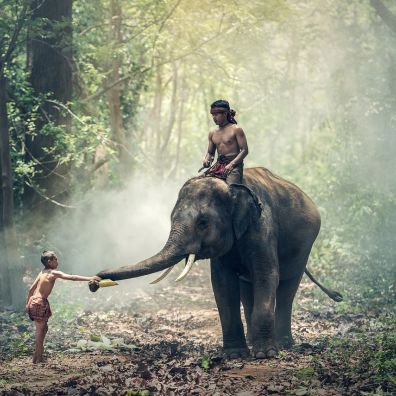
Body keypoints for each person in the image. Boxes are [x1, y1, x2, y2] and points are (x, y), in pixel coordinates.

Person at [26, 250, 100, 363]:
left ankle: (38, 356)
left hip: (34, 301)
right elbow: (72, 277)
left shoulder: (42, 272)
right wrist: (90, 278)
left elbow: (31, 289)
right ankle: (38, 359)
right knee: (40, 332)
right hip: (40, 302)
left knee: (43, 329)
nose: (57, 261)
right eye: (56, 259)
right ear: (50, 261)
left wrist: (28, 305)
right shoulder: (53, 273)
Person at [202, 99, 248, 184]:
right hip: (218, 165)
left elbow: (244, 150)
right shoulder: (212, 132)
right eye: (212, 115)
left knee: (231, 190)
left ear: (225, 113)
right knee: (202, 185)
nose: (214, 117)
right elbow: (210, 153)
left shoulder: (236, 129)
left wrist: (232, 164)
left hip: (234, 166)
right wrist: (207, 159)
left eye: (216, 114)